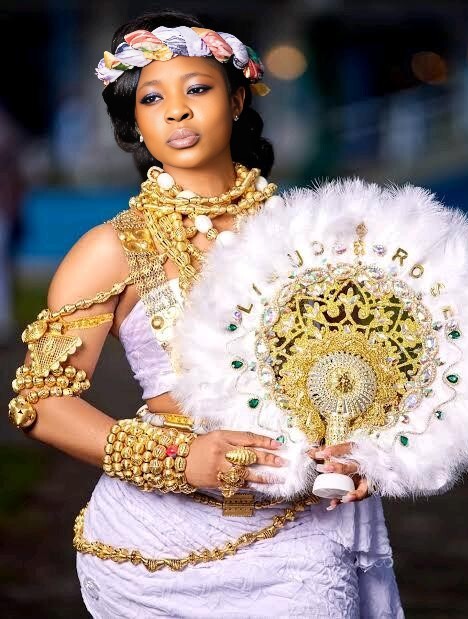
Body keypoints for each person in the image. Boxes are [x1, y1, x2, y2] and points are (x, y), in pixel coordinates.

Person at [8, 10, 404, 618]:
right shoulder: (113, 250)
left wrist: (370, 446)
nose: (176, 111)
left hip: (302, 524)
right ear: (135, 120)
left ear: (237, 100)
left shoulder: (314, 234)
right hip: (153, 545)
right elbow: (41, 403)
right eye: (151, 98)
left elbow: (373, 364)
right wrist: (181, 461)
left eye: (197, 88)